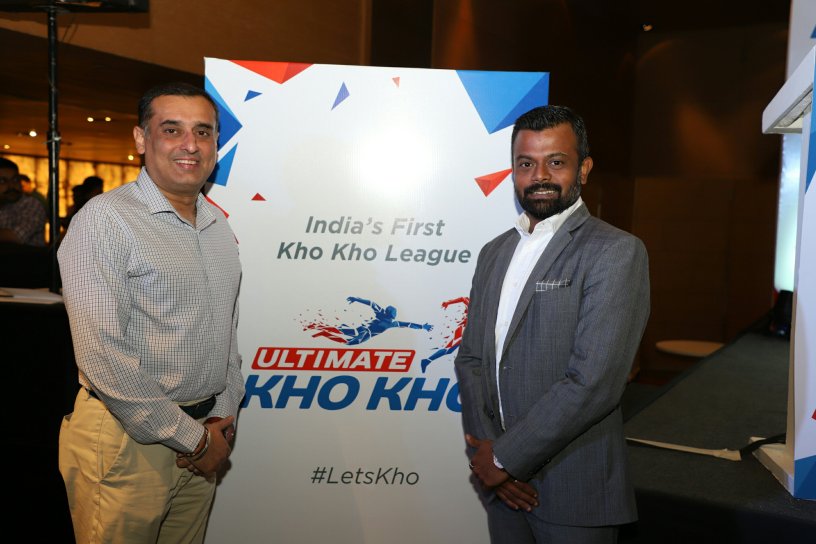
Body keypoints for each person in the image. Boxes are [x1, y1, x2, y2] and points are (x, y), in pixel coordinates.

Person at [57, 82, 245, 544]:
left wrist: (218, 421)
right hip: (125, 443)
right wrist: (193, 440)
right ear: (141, 139)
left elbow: (226, 337)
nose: (190, 145)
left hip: (203, 435)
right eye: (172, 129)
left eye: (203, 132)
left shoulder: (218, 226)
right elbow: (102, 355)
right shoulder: (105, 220)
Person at [454, 105, 650, 544]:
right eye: (526, 163)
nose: (539, 175)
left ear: (584, 168)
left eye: (555, 162)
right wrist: (490, 459)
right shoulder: (494, 252)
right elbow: (471, 361)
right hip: (501, 493)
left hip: (574, 489)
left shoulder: (615, 252)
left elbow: (593, 383)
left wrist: (503, 459)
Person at [305, 295, 433, 345]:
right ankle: (321, 330)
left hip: (363, 330)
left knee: (342, 334)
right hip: (365, 332)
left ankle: (320, 329)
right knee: (347, 340)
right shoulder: (388, 319)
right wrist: (356, 299)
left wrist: (423, 327)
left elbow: (409, 324)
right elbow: (371, 303)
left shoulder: (389, 319)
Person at [0, 157, 47, 246]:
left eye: (15, 180)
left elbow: (17, 237)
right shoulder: (4, 205)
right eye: (3, 181)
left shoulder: (32, 204)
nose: (11, 186)